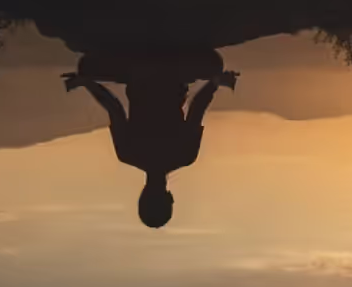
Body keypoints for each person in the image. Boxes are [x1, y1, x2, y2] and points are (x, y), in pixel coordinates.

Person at [64, 49, 240, 229]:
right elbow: (114, 107)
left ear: (169, 197)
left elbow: (197, 108)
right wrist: (86, 83)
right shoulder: (127, 154)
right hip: (138, 72)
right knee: (86, 67)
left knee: (214, 65)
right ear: (142, 195)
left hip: (174, 72)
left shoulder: (186, 155)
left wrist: (216, 83)